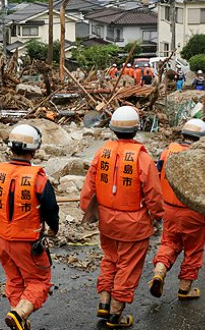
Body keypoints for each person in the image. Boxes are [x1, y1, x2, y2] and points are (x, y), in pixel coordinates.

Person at [81, 106, 164, 328]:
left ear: (112, 128)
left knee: (110, 259)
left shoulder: (102, 153)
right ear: (136, 129)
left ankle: (104, 301)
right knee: (128, 266)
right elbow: (154, 194)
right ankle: (115, 315)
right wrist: (158, 215)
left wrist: (87, 210)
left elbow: (89, 186)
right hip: (133, 225)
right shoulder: (143, 159)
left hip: (107, 222)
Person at [0, 125, 59, 330]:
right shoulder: (39, 179)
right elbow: (51, 210)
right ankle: (19, 313)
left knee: (14, 280)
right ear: (34, 150)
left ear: (10, 148)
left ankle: (19, 321)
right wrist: (54, 229)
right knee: (39, 281)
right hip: (28, 243)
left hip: (3, 241)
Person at [149, 119, 205, 300]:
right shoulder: (202, 157)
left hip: (168, 209)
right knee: (193, 250)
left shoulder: (167, 153)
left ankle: (159, 272)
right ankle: (184, 289)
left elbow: (157, 177)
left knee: (168, 243)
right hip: (193, 213)